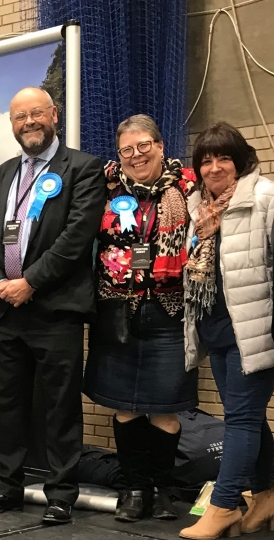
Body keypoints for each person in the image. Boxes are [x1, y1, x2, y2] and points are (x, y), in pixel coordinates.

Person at [0, 87, 105, 524]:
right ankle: (5, 488)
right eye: (19, 116)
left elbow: (76, 237)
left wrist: (30, 282)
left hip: (55, 311)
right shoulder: (0, 174)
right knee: (4, 404)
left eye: (36, 114)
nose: (28, 122)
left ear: (54, 116)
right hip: (4, 311)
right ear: (11, 124)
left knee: (59, 407)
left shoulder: (83, 169)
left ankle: (61, 493)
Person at [83, 114, 198, 522]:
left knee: (165, 409)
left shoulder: (188, 186)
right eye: (127, 150)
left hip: (169, 311)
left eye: (143, 146)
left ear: (160, 146)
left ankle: (164, 489)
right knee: (126, 407)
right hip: (117, 310)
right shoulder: (105, 185)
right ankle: (134, 488)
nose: (136, 156)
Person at [179, 122, 274, 539]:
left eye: (224, 159)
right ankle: (268, 494)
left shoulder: (265, 199)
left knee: (240, 419)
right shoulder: (198, 208)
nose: (214, 168)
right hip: (215, 330)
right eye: (206, 160)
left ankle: (223, 507)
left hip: (255, 331)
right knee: (249, 418)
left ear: (241, 162)